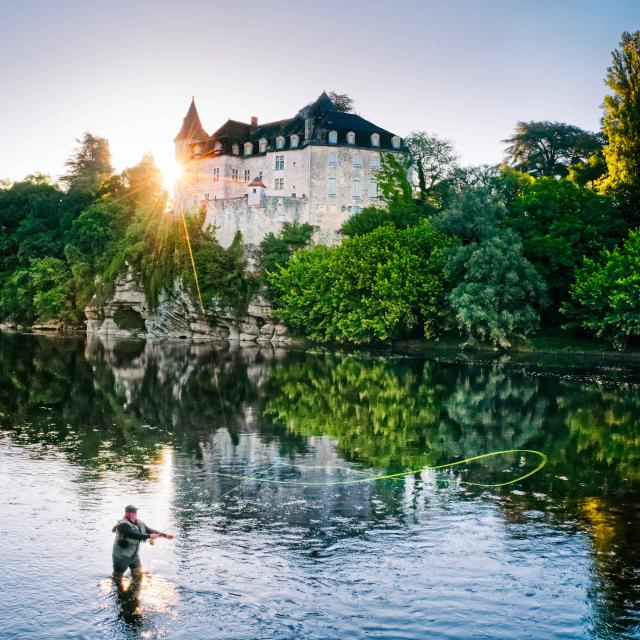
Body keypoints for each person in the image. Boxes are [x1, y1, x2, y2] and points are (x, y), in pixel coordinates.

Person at [112, 505, 174, 580]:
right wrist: (149, 536)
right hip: (121, 556)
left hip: (134, 555)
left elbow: (149, 530)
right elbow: (132, 535)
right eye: (133, 512)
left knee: (138, 574)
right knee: (117, 578)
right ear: (127, 513)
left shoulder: (139, 522)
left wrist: (165, 536)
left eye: (135, 512)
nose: (135, 514)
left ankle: (136, 587)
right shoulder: (122, 525)